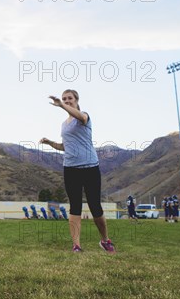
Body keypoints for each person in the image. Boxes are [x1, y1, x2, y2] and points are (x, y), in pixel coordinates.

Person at [39, 89, 116, 253]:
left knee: (95, 206)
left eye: (69, 98)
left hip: (90, 167)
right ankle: (76, 245)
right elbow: (65, 147)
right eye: (64, 98)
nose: (66, 100)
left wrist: (61, 106)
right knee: (75, 207)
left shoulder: (84, 117)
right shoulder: (64, 125)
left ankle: (105, 240)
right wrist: (49, 142)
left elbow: (80, 116)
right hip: (71, 169)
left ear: (76, 100)